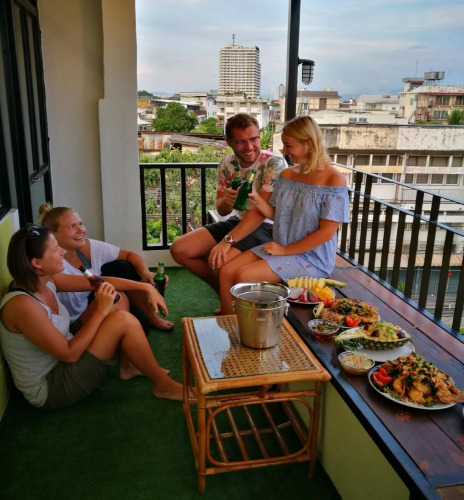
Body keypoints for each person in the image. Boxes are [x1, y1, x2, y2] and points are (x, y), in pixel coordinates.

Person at [0, 225, 185, 409]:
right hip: (53, 383)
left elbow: (97, 283)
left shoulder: (45, 280)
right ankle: (164, 387)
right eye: (55, 250)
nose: (62, 252)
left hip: (66, 342)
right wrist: (101, 311)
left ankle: (128, 366)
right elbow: (70, 354)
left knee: (116, 296)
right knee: (124, 320)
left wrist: (146, 287)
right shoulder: (23, 306)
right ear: (37, 263)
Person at [218, 115, 350, 314]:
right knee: (226, 271)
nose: (283, 151)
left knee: (244, 275)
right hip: (282, 248)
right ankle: (231, 327)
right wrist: (257, 199)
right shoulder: (288, 175)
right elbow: (278, 215)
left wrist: (285, 251)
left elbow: (326, 233)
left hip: (311, 258)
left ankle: (250, 326)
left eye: (288, 145)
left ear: (309, 143)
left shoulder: (334, 179)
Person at [169, 113, 287, 297]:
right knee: (179, 250)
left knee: (220, 262)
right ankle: (224, 292)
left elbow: (260, 213)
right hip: (239, 221)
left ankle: (228, 295)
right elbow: (222, 211)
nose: (249, 147)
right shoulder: (227, 163)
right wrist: (226, 200)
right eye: (241, 141)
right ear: (228, 142)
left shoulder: (274, 163)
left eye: (254, 139)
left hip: (267, 226)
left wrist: (226, 241)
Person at [38, 203, 173, 334]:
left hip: (87, 301)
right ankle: (122, 328)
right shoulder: (51, 264)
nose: (81, 230)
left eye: (81, 224)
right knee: (138, 321)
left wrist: (145, 273)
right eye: (72, 227)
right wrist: (146, 287)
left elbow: (130, 255)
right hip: (74, 323)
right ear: (52, 234)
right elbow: (95, 281)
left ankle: (150, 316)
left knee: (125, 267)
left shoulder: (86, 247)